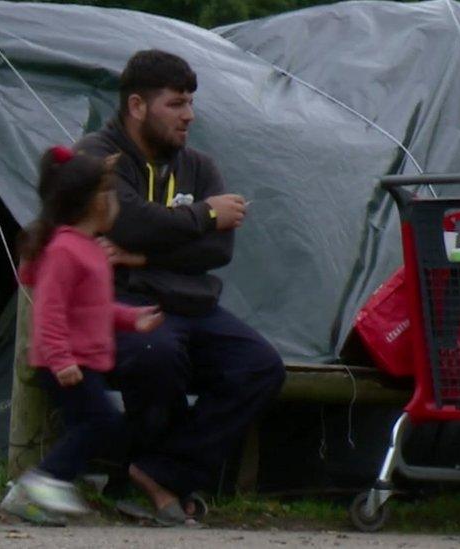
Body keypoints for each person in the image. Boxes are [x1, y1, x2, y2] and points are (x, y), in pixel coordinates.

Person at [75, 50, 285, 524]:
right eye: (175, 103)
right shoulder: (95, 156)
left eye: (190, 102)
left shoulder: (200, 167)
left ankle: (156, 473)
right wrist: (206, 214)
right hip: (117, 303)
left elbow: (219, 252)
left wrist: (143, 254)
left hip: (190, 303)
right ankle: (151, 484)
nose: (189, 115)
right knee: (156, 352)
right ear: (137, 106)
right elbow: (128, 220)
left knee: (259, 366)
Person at [12, 146, 164, 517]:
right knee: (103, 422)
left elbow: (93, 306)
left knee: (91, 425)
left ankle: (26, 496)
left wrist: (131, 318)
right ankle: (45, 479)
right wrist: (60, 357)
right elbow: (49, 309)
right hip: (66, 362)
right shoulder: (65, 249)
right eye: (110, 192)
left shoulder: (88, 248)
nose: (117, 202)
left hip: (84, 359)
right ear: (93, 202)